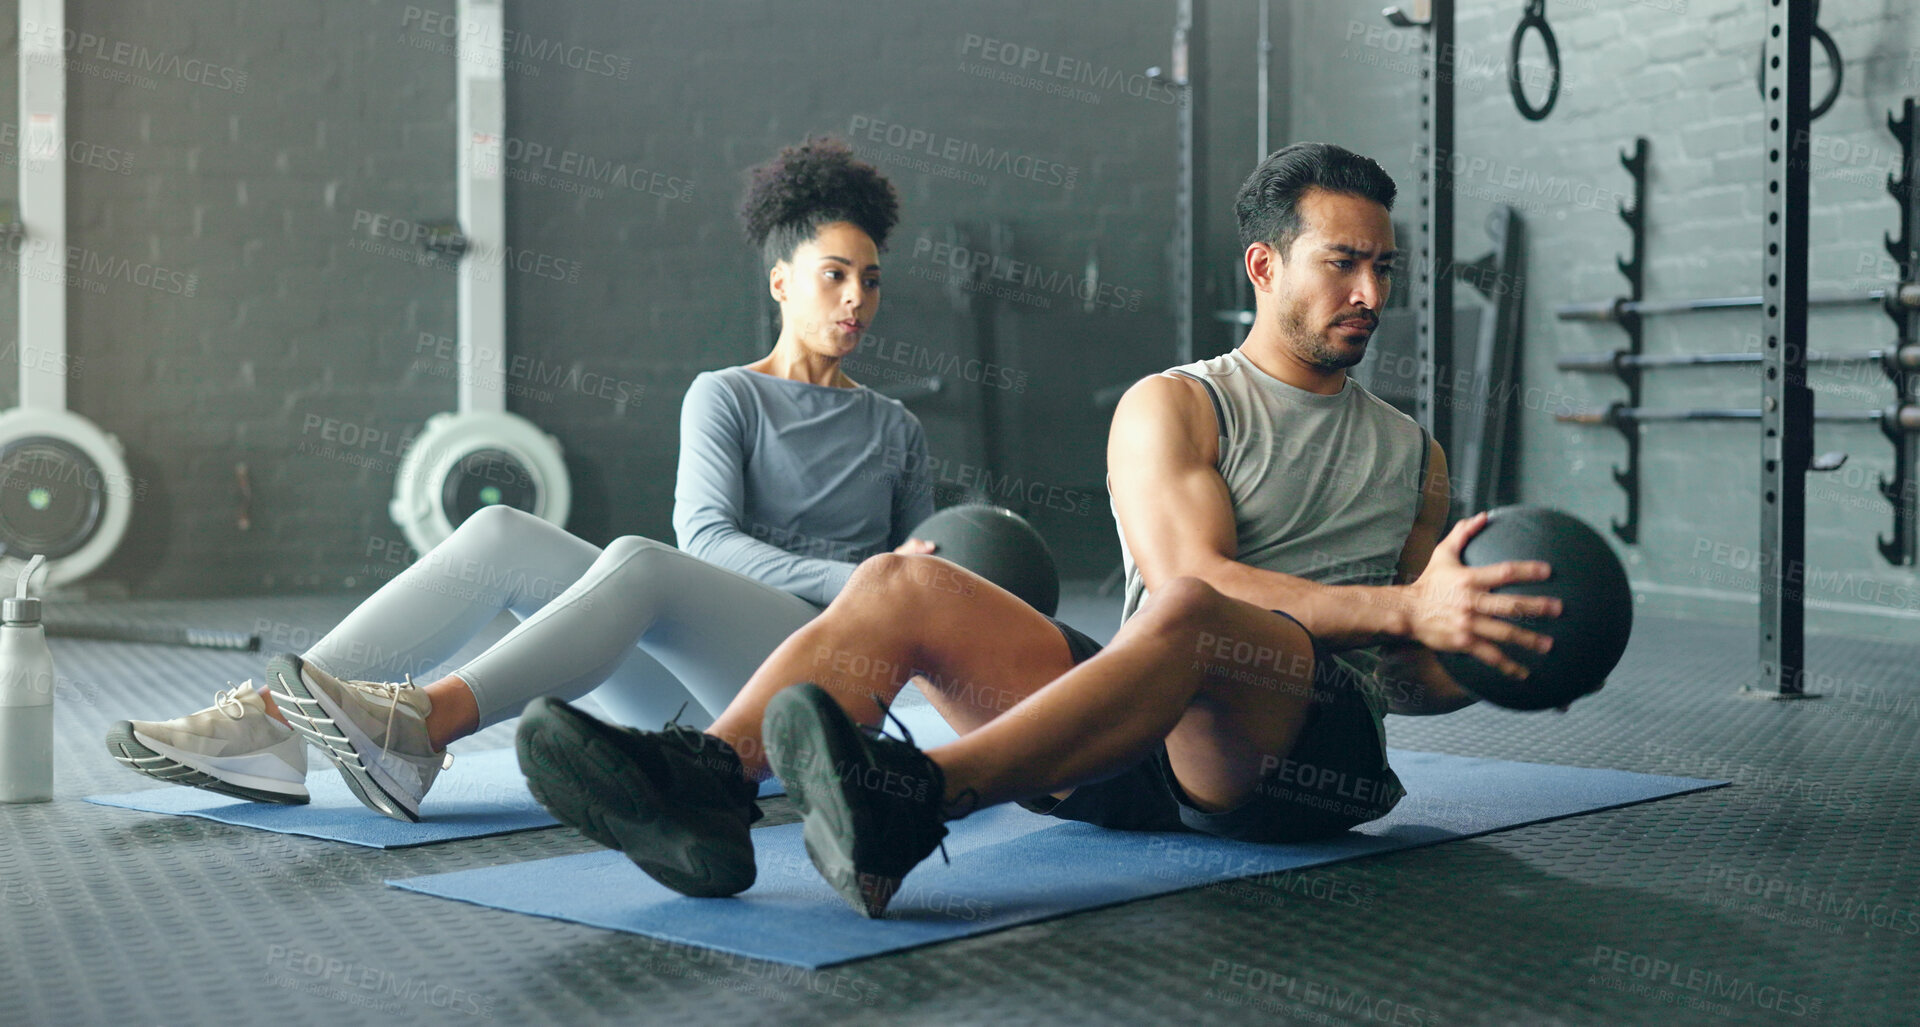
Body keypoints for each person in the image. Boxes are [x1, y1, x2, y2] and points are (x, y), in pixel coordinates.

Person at [516, 141, 1569, 916]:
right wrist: (1409, 605)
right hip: (1134, 735)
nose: (1371, 291)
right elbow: (1187, 570)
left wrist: (1490, 650)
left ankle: (915, 798)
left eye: (1384, 267)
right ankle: (709, 784)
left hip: (1300, 758)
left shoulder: (1412, 455)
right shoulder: (1179, 404)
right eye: (1342, 262)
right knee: (902, 579)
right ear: (1264, 267)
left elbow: (1406, 679)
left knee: (1203, 621)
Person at [106, 138, 938, 833]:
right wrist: (869, 573)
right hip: (692, 702)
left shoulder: (895, 429)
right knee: (502, 536)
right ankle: (268, 727)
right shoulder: (727, 394)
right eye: (834, 274)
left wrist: (886, 584)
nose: (856, 297)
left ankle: (420, 729)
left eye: (869, 279)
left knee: (641, 564)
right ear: (780, 282)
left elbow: (926, 595)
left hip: (816, 703)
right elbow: (711, 543)